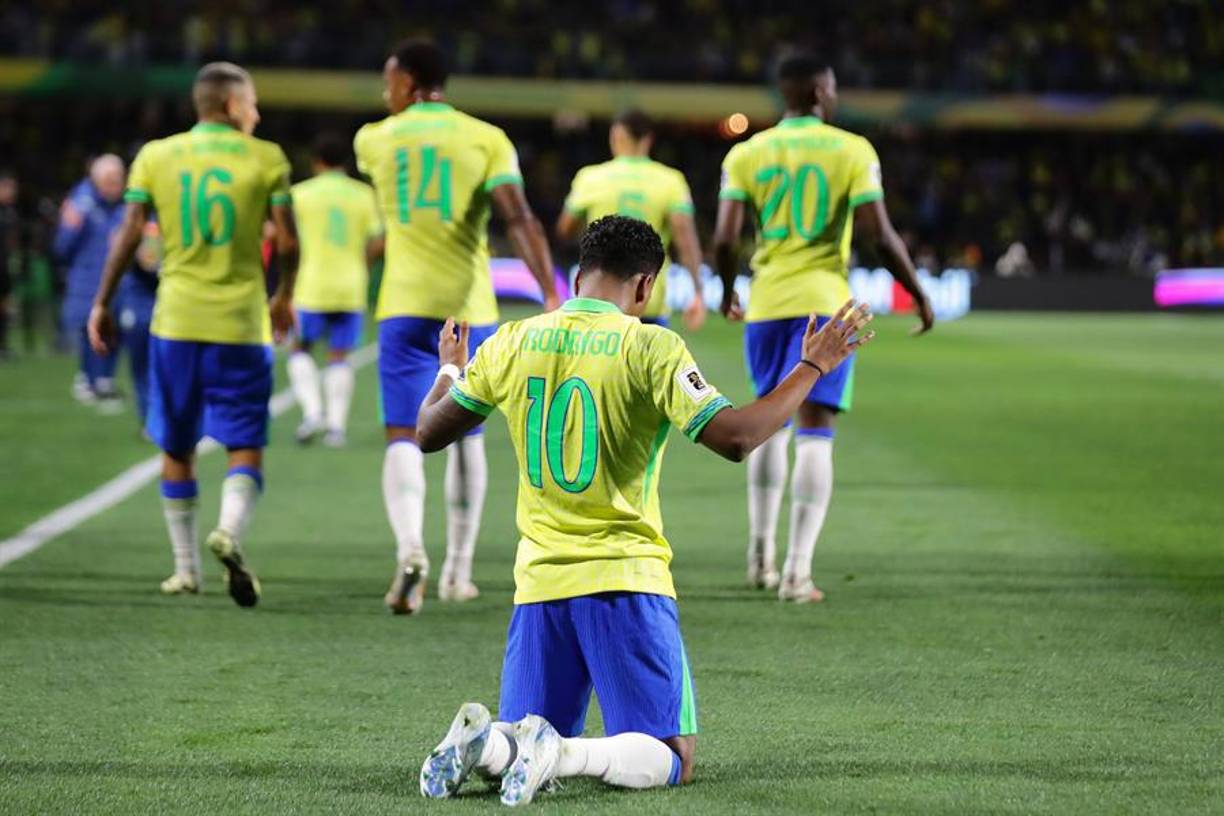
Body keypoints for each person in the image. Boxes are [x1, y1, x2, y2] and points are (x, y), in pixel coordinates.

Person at [411, 215, 874, 805]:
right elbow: (735, 437)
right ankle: (566, 752)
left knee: (520, 738)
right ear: (645, 286)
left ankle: (489, 747)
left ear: (579, 275)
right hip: (623, 579)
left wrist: (450, 365)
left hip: (539, 586)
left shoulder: (512, 339)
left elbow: (426, 432)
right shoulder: (649, 345)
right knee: (672, 755)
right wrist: (814, 366)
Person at [712, 53, 934, 602]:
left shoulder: (748, 152)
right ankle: (797, 572)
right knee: (815, 431)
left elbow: (724, 237)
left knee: (769, 420)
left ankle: (759, 556)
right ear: (819, 92)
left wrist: (725, 288)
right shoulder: (853, 150)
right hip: (826, 306)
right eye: (832, 87)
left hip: (767, 302)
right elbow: (880, 236)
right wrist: (920, 292)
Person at [354, 39, 558, 611]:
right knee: (467, 433)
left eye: (389, 81)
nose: (384, 91)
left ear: (411, 82)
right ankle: (457, 573)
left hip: (402, 303)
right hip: (468, 309)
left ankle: (411, 548)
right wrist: (549, 289)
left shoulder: (371, 139)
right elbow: (518, 215)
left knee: (402, 432)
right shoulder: (486, 138)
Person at [88, 62, 297, 607]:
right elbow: (290, 241)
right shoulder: (267, 157)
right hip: (241, 323)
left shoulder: (156, 156)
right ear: (230, 105)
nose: (256, 113)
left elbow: (131, 232)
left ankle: (184, 570)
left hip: (175, 323)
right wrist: (284, 296)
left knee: (175, 443)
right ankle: (228, 530)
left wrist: (102, 301)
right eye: (251, 103)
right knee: (244, 442)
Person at [556, 108, 706, 330]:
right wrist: (697, 292)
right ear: (648, 139)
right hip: (646, 301)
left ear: (616, 135)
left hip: (596, 302)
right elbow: (685, 240)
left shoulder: (590, 178)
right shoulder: (671, 181)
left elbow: (564, 230)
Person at [286, 133, 382, 448]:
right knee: (339, 355)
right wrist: (363, 265)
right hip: (350, 286)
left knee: (300, 349)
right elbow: (378, 239)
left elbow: (285, 240)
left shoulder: (300, 194)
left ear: (316, 162)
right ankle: (336, 428)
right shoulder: (364, 194)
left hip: (311, 285)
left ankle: (313, 413)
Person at [54, 154, 128, 411]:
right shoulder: (81, 204)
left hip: (118, 281)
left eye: (118, 180)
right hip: (88, 279)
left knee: (114, 329)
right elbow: (63, 245)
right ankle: (89, 378)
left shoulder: (125, 205)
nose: (115, 186)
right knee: (90, 330)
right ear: (96, 180)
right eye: (109, 180)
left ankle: (104, 380)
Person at [0, 171, 19, 360]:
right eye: (7, 188)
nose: (11, 192)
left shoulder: (10, 211)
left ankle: (3, 345)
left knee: (5, 308)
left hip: (4, 267)